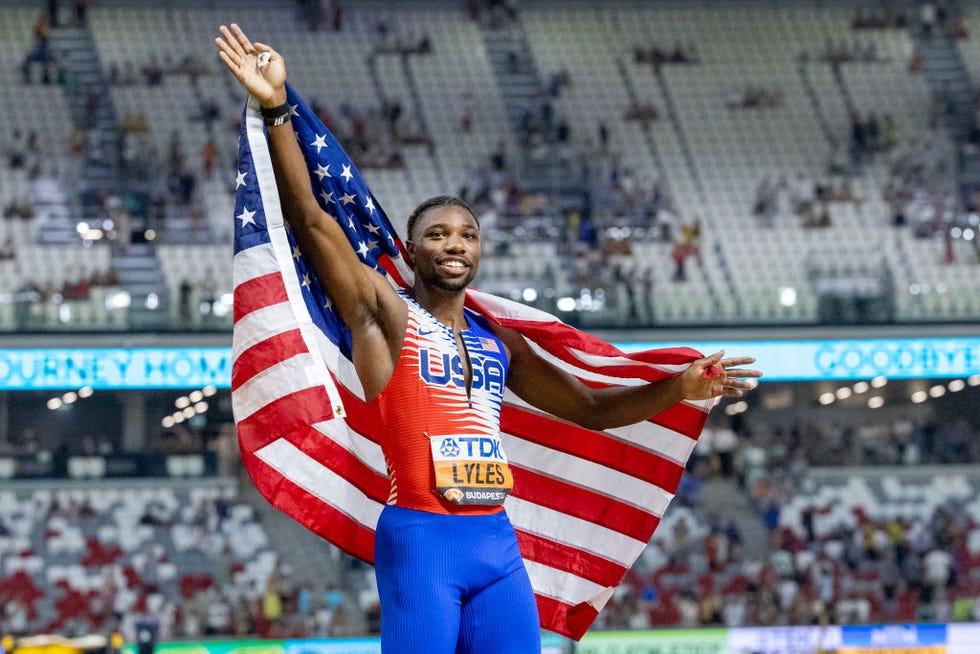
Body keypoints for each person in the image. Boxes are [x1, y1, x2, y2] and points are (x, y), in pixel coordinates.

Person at [215, 23, 761, 653]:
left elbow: (590, 409)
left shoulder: (499, 342)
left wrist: (680, 387)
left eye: (467, 236)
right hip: (421, 540)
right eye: (440, 235)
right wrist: (278, 106)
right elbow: (311, 219)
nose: (455, 245)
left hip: (495, 544)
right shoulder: (384, 316)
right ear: (413, 251)